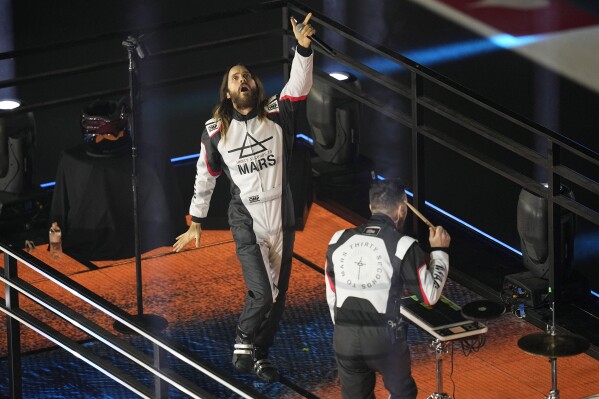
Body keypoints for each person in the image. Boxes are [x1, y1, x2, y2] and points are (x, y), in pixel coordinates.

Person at [172, 13, 316, 382]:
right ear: (228, 92)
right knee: (262, 292)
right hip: (246, 219)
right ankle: (242, 339)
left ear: (256, 85)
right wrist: (197, 222)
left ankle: (260, 355)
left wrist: (302, 47)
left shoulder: (278, 112)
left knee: (278, 296)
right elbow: (205, 175)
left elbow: (299, 84)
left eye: (247, 75)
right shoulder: (215, 130)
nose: (243, 80)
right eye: (236, 78)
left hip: (282, 216)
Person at [324, 179, 451, 399]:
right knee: (403, 393)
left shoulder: (338, 239)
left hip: (344, 336)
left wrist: (346, 329)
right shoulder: (403, 245)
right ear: (402, 209)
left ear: (371, 206)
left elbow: (332, 294)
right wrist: (439, 251)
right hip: (384, 340)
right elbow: (429, 296)